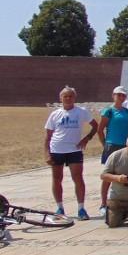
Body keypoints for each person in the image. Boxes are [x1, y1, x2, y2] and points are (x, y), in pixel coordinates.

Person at [44, 87, 97, 219]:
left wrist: (87, 138)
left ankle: (81, 208)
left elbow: (95, 125)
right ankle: (60, 208)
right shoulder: (55, 114)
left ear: (75, 98)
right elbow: (48, 136)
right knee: (57, 179)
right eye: (65, 96)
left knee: (78, 178)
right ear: (60, 98)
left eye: (70, 96)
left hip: (74, 150)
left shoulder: (81, 112)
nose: (68, 98)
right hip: (57, 149)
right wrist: (47, 153)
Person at [97, 86, 128, 216]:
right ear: (113, 96)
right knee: (108, 176)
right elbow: (100, 130)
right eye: (119, 95)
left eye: (123, 95)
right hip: (112, 145)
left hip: (124, 146)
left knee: (123, 175)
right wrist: (105, 144)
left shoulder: (126, 111)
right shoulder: (108, 111)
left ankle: (121, 202)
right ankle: (103, 203)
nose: (121, 97)